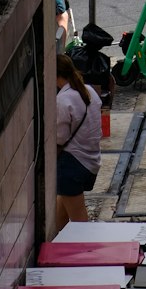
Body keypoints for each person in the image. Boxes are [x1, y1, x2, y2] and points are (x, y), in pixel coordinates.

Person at [55, 54, 103, 233]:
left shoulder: (63, 100)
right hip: (91, 160)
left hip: (71, 164)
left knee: (79, 221)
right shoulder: (89, 91)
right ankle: (53, 244)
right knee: (60, 212)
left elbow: (59, 137)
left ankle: (85, 255)